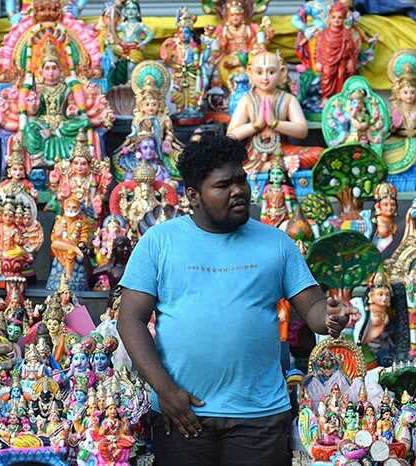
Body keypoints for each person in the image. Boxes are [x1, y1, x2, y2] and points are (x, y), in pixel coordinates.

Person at [116, 135, 356, 465]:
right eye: (223, 185)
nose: (238, 190)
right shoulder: (159, 242)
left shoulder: (276, 243)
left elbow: (313, 307)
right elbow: (129, 320)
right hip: (182, 412)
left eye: (241, 179)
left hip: (260, 416)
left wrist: (329, 316)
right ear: (193, 196)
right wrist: (164, 390)